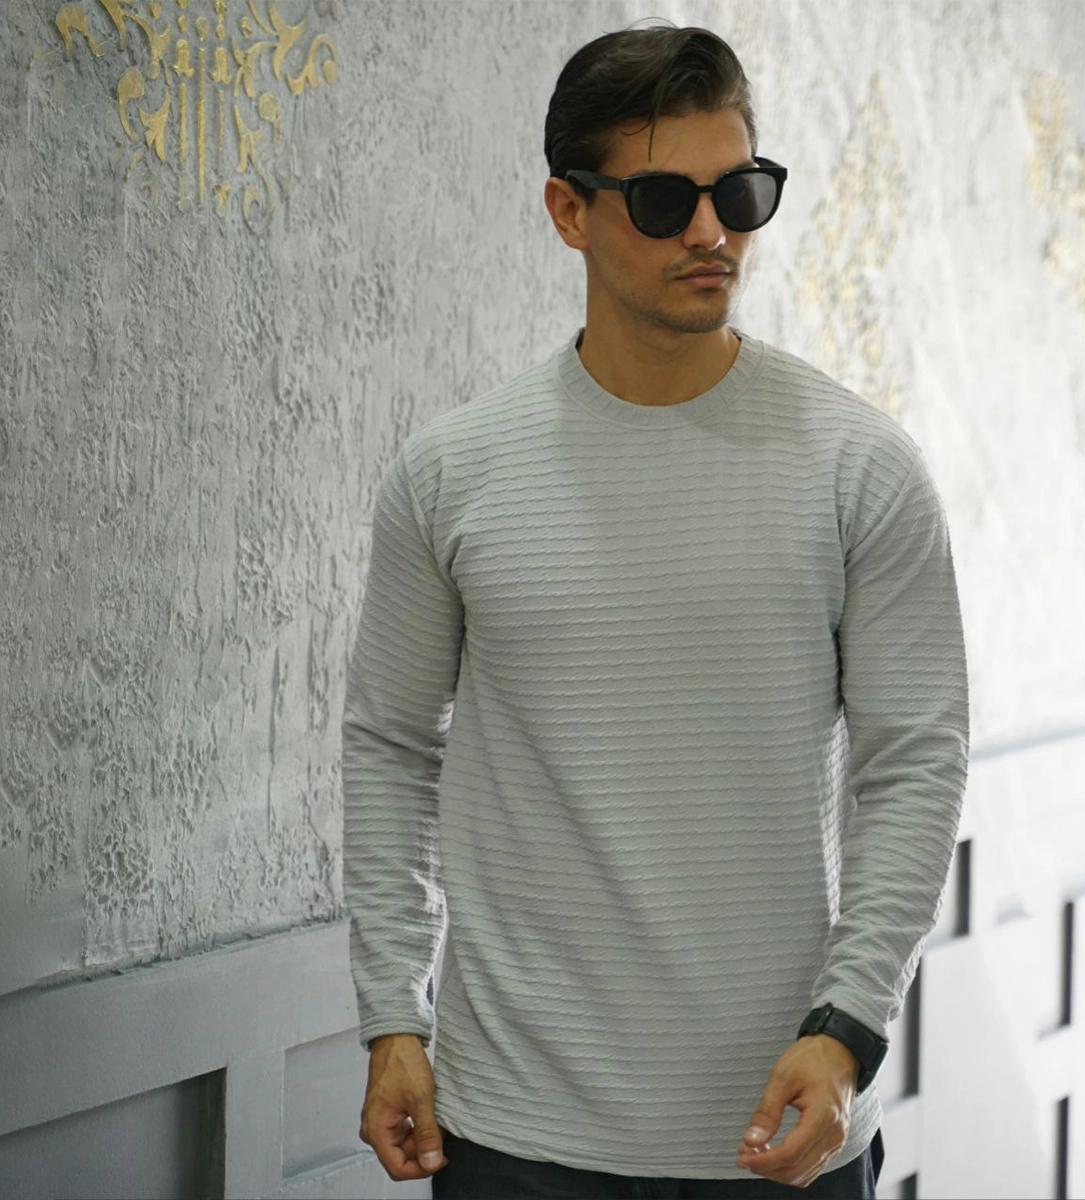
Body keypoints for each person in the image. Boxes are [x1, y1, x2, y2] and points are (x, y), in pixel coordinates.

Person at [342, 20, 969, 1200]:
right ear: (567, 211)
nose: (711, 232)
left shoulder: (861, 469)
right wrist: (392, 1014)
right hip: (514, 1132)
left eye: (739, 191)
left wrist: (850, 1029)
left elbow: (916, 765)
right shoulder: (452, 477)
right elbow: (389, 747)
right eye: (664, 199)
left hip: (783, 1126)